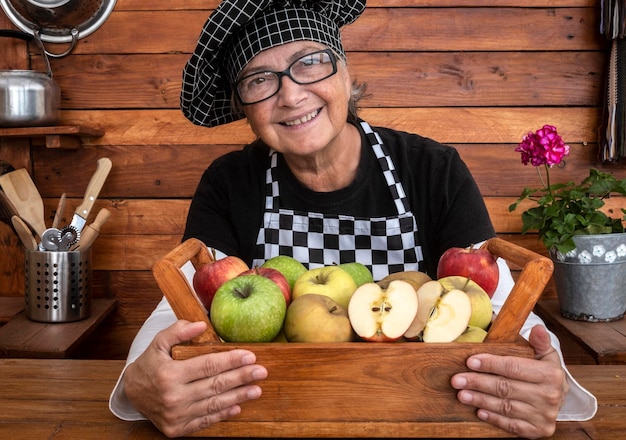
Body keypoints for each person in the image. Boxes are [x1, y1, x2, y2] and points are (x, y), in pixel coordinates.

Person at [109, 0, 597, 438]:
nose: (291, 95)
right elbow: (179, 312)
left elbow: (502, 301)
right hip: (278, 415)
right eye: (260, 80)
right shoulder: (229, 182)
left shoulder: (431, 169)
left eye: (309, 63)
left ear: (345, 73)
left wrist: (543, 377)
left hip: (421, 414)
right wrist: (139, 380)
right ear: (245, 108)